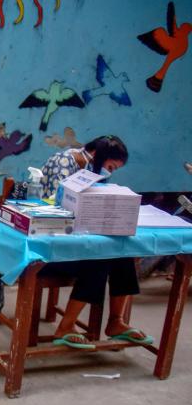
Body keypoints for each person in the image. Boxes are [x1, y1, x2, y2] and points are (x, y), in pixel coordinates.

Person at [37, 135, 153, 349]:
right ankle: (66, 327)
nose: (110, 172)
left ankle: (116, 322)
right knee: (100, 260)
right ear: (97, 156)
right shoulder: (63, 163)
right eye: (111, 166)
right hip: (51, 245)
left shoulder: (94, 172)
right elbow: (56, 209)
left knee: (122, 253)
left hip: (79, 241)